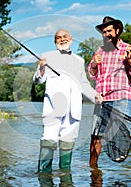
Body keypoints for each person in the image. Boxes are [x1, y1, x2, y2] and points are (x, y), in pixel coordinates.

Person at [33, 29, 101, 173]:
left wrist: (95, 96)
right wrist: (42, 68)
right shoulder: (47, 56)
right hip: (53, 108)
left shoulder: (79, 60)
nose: (62, 39)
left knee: (68, 143)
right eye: (58, 38)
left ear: (71, 39)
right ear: (55, 41)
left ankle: (65, 175)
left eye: (65, 37)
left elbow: (84, 84)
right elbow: (38, 80)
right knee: (48, 140)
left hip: (74, 110)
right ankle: (44, 176)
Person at [88, 16, 131, 170]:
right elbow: (91, 74)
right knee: (96, 136)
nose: (106, 34)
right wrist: (94, 63)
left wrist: (129, 61)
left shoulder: (127, 49)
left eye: (109, 31)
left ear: (117, 30)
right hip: (101, 100)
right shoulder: (99, 51)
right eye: (103, 32)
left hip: (121, 98)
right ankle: (93, 170)